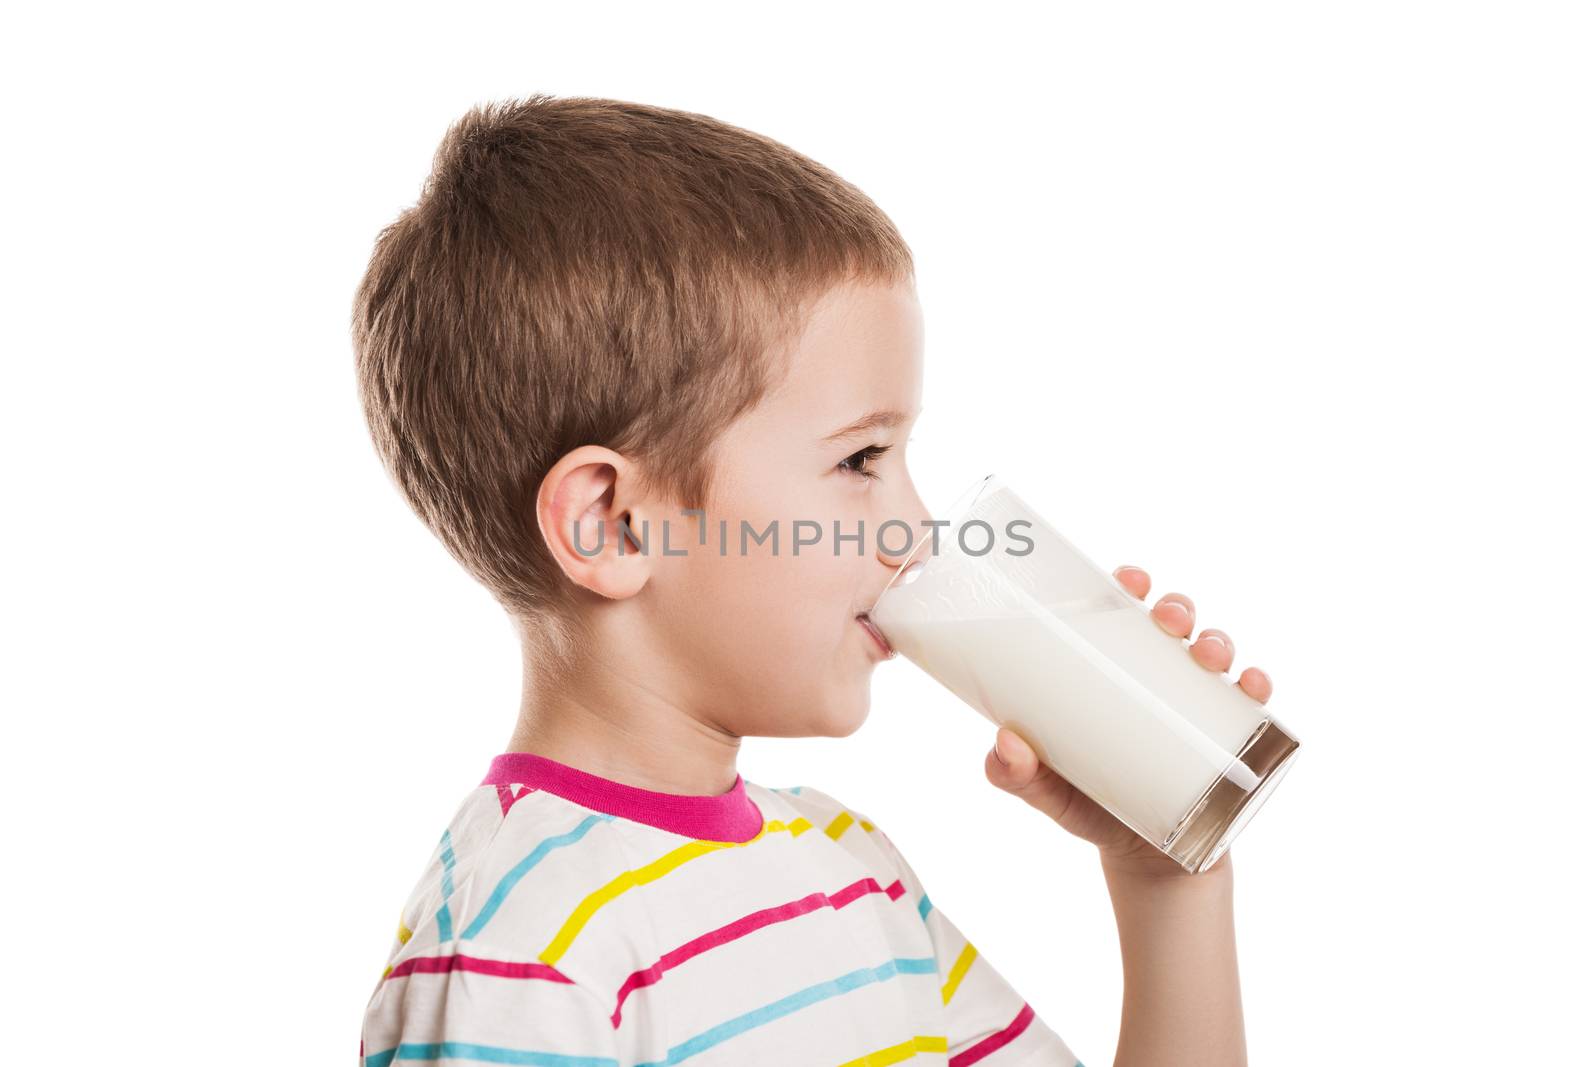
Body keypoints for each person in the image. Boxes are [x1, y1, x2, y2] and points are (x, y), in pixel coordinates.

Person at [351, 95, 1269, 1067]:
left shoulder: (846, 874)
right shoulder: (524, 958)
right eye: (861, 458)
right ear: (612, 524)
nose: (916, 530)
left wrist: (1168, 882)